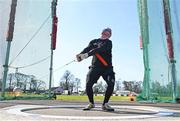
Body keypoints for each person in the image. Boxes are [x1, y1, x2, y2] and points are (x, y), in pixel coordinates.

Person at [76, 28, 115, 111]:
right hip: (95, 67)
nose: (106, 33)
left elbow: (99, 49)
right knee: (88, 84)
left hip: (107, 67)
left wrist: (87, 55)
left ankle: (105, 104)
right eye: (105, 32)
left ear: (110, 35)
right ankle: (91, 103)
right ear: (101, 32)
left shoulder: (109, 43)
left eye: (108, 33)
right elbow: (88, 48)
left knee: (111, 83)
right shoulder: (94, 41)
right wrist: (80, 55)